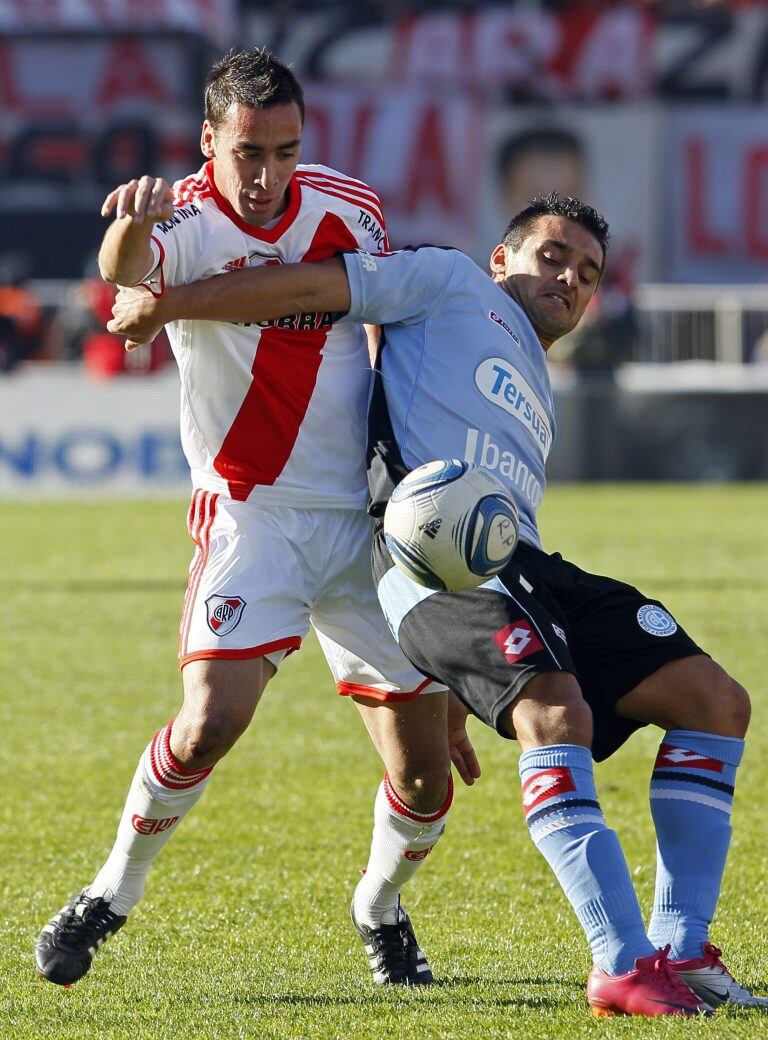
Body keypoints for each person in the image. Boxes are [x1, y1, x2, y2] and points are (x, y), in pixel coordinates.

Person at [108, 191, 767, 1017]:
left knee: (714, 701)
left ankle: (682, 946)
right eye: (552, 256)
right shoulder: (449, 283)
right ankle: (621, 963)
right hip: (435, 564)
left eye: (588, 273)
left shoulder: (537, 379)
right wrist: (169, 304)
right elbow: (314, 289)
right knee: (557, 718)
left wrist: (458, 682)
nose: (569, 278)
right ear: (502, 260)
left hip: (518, 562)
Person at [35, 47, 473, 992]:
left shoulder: (350, 207)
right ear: (208, 142)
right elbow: (128, 284)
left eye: (285, 148)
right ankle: (110, 892)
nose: (269, 172)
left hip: (365, 523)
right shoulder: (184, 217)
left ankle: (380, 907)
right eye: (249, 152)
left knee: (430, 779)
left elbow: (376, 324)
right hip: (253, 512)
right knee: (206, 726)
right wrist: (130, 231)